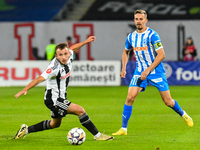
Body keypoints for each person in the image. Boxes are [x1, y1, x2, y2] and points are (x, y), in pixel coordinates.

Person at [14, 36, 114, 141]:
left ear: (69, 54)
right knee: (80, 111)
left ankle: (26, 130)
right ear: (56, 56)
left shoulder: (69, 55)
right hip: (54, 99)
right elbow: (39, 79)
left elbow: (73, 48)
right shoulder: (54, 67)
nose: (63, 57)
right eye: (60, 55)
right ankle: (98, 136)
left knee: (54, 124)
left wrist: (86, 41)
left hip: (60, 96)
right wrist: (25, 89)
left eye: (65, 54)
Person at [112, 10, 193, 136]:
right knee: (129, 97)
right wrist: (124, 68)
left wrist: (148, 70)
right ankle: (123, 129)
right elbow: (126, 51)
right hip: (140, 71)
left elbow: (162, 55)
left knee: (168, 102)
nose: (139, 21)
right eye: (136, 19)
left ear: (146, 20)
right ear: (134, 21)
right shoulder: (131, 37)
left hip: (156, 71)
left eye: (141, 19)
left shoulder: (152, 35)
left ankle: (183, 114)